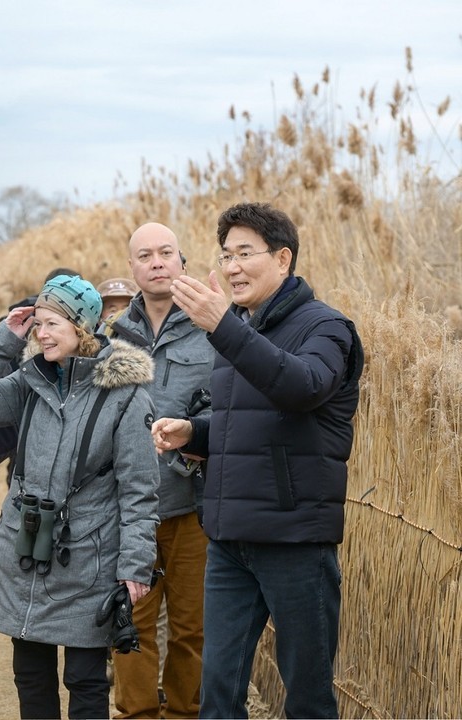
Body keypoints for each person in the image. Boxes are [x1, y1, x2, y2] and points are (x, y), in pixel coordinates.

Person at [151, 202, 363, 719]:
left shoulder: (328, 328)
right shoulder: (238, 331)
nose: (232, 267)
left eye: (245, 253)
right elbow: (243, 423)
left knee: (308, 696)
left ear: (284, 259)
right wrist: (194, 432)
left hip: (294, 540)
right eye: (226, 256)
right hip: (229, 539)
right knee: (217, 694)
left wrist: (223, 326)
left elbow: (301, 387)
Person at [0, 273, 160, 720]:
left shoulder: (126, 395)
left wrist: (135, 567)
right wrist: (4, 339)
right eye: (38, 324)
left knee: (85, 679)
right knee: (30, 674)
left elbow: (140, 490)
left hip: (88, 556)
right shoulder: (31, 380)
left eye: (53, 324)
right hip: (26, 548)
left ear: (82, 327)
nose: (41, 334)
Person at [107, 224, 214, 719]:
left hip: (194, 506)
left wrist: (197, 432)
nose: (156, 262)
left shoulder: (215, 328)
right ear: (132, 268)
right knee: (132, 624)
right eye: (144, 255)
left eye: (166, 253)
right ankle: (136, 714)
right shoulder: (111, 337)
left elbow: (233, 405)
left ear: (182, 261)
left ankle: (185, 713)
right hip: (130, 512)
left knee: (193, 627)